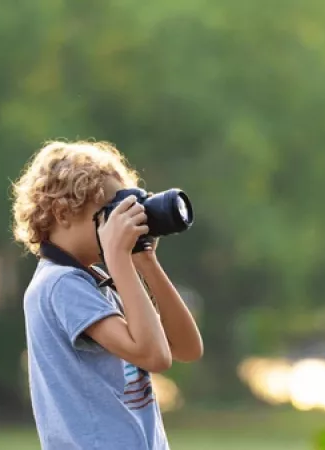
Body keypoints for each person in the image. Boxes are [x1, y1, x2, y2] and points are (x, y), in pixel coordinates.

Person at [11, 140, 204, 449]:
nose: (123, 223)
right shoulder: (59, 284)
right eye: (111, 212)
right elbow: (155, 356)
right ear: (62, 213)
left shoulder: (96, 281)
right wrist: (118, 257)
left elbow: (185, 348)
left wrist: (145, 262)